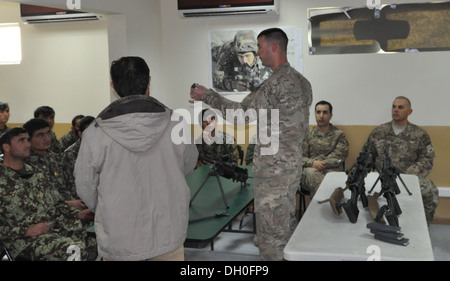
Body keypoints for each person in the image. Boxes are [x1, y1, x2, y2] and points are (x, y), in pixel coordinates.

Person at [190, 28, 313, 261]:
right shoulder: (302, 82)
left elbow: (242, 116)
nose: (257, 52)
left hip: (273, 172)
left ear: (274, 47)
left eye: (260, 46)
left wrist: (208, 96)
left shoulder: (275, 84)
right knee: (284, 226)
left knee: (270, 237)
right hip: (291, 167)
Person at [75, 56, 198, 261]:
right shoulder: (176, 123)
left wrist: (110, 207)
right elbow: (188, 165)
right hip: (167, 234)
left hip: (119, 239)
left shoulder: (95, 133)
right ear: (149, 82)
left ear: (113, 86)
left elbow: (86, 186)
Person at [0, 127, 97, 261]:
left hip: (53, 229)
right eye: (21, 140)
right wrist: (26, 231)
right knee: (74, 249)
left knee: (97, 239)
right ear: (6, 147)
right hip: (23, 241)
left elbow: (55, 205)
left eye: (28, 140)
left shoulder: (36, 174)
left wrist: (77, 214)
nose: (28, 144)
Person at [363, 96, 439, 225]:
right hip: (382, 177)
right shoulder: (378, 132)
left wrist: (408, 175)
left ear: (409, 112)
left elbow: (427, 159)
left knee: (429, 190)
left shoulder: (420, 134)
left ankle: (424, 226)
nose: (396, 110)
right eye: (394, 107)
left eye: (400, 107)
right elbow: (367, 154)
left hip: (409, 176)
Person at [23, 118, 84, 209]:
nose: (47, 138)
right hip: (49, 210)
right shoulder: (25, 164)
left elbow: (71, 185)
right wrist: (67, 203)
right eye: (40, 135)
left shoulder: (57, 158)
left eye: (48, 133)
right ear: (29, 139)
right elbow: (33, 198)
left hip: (71, 206)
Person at [301, 101, 349, 197]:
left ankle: (321, 206)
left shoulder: (339, 135)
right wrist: (312, 163)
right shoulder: (308, 135)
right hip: (311, 172)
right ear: (315, 114)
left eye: (325, 112)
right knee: (311, 173)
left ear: (331, 115)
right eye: (318, 112)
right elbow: (300, 157)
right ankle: (329, 200)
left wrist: (321, 163)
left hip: (332, 170)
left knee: (330, 178)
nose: (321, 116)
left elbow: (339, 156)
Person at [63, 115, 95, 197]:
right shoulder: (70, 153)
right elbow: (71, 184)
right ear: (80, 134)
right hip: (80, 198)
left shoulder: (102, 149)